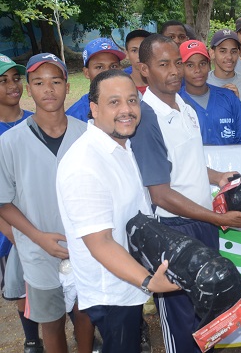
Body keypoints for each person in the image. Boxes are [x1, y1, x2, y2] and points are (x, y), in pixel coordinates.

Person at [130, 34, 241, 353]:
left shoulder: (183, 104)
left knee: (207, 317)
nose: (174, 71)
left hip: (200, 224)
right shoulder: (147, 118)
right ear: (144, 69)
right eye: (163, 64)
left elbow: (186, 164)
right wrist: (218, 218)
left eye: (177, 62)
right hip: (171, 232)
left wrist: (218, 176)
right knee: (182, 326)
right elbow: (160, 194)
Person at [56, 69, 180, 353]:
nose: (126, 110)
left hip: (128, 282)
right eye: (114, 102)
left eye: (132, 101)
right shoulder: (84, 163)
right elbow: (99, 243)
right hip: (111, 291)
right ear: (94, 109)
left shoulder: (120, 146)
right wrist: (149, 281)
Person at [0, 53, 93, 353]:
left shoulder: (88, 136)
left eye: (56, 81)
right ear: (29, 89)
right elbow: (3, 202)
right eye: (39, 82)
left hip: (86, 246)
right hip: (37, 251)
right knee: (51, 324)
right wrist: (38, 237)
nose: (48, 89)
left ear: (68, 85)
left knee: (85, 315)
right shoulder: (10, 142)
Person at [0, 55, 40, 353]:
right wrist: (14, 232)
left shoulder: (35, 121)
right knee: (22, 286)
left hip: (40, 219)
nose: (12, 86)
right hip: (9, 229)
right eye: (3, 81)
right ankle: (31, 339)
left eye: (15, 78)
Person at [178, 39, 241, 145]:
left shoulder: (229, 97)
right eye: (190, 65)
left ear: (209, 65)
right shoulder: (174, 102)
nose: (197, 70)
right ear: (180, 68)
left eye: (202, 63)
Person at [66, 37, 126, 121]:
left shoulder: (134, 104)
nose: (107, 72)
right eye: (99, 67)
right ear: (87, 73)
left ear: (120, 69)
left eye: (113, 66)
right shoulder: (75, 116)